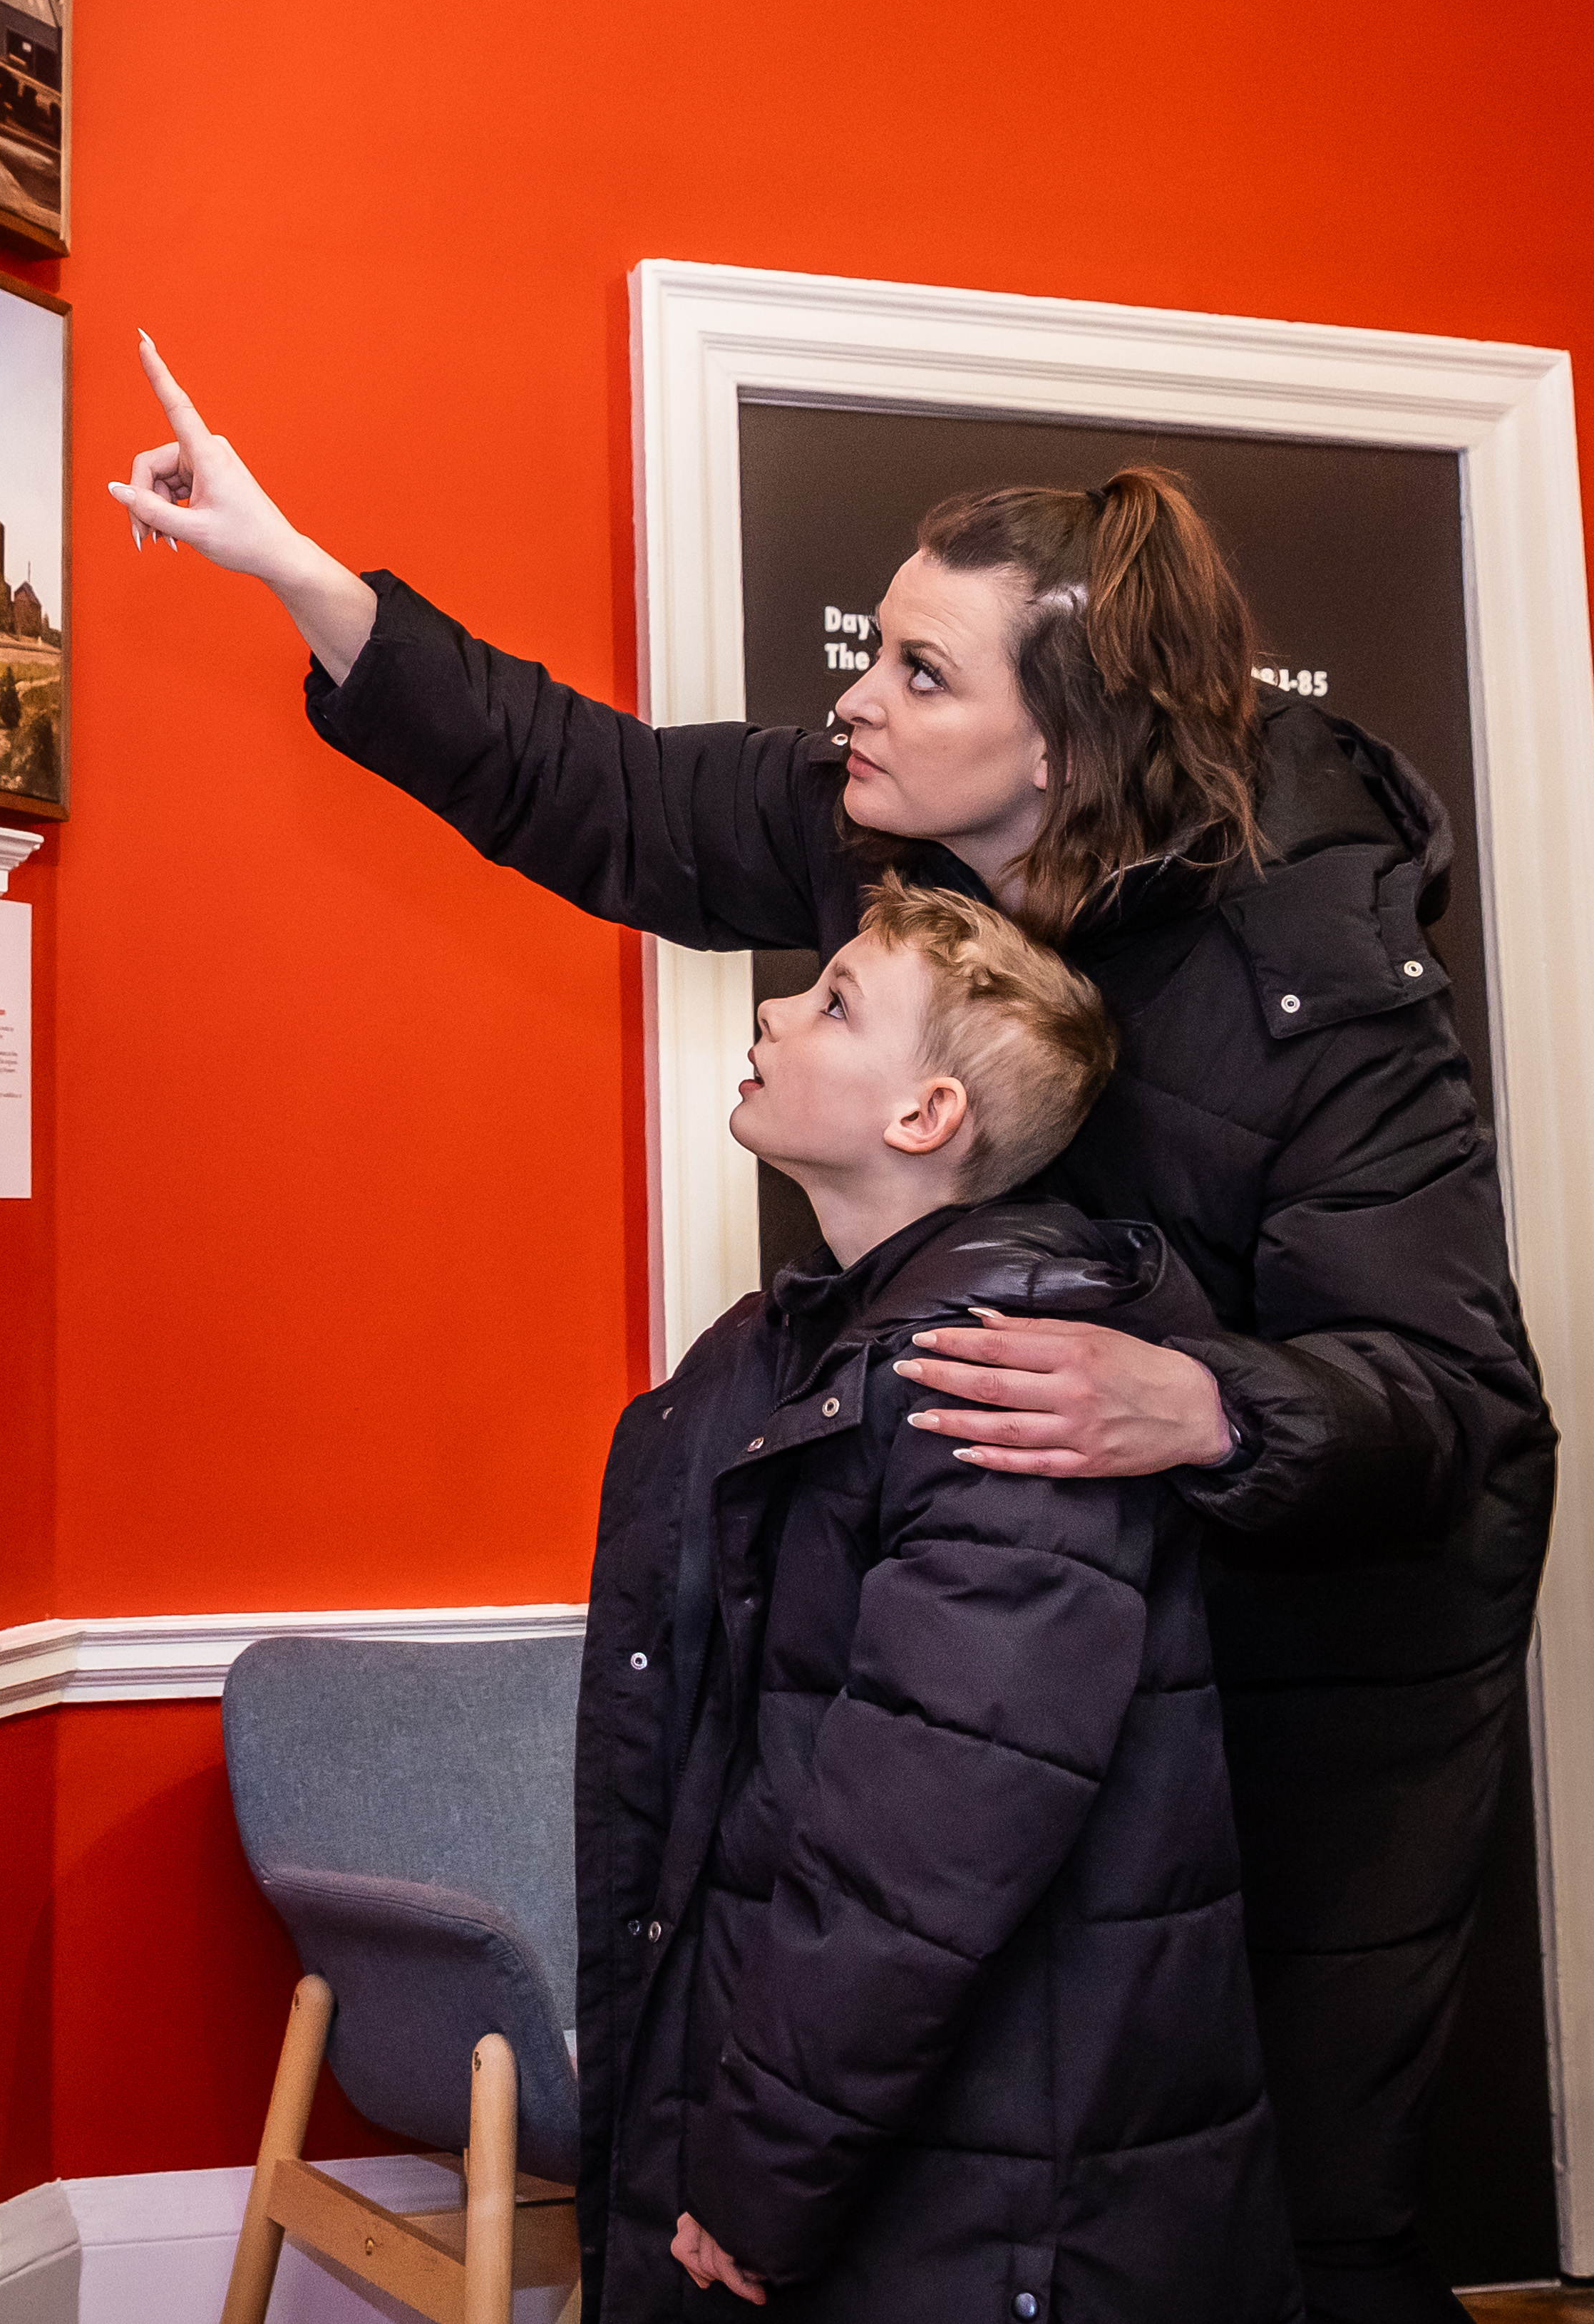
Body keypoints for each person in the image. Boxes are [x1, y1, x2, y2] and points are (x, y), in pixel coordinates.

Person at [115, 346, 1553, 2324]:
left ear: (1064, 742)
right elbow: (594, 786)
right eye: (868, 652)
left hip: (1313, 1699)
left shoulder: (1313, 982)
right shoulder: (890, 834)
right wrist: (293, 569)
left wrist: (1202, 1397)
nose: (853, 705)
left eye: (918, 674)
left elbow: (1461, 1412)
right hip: (1047, 1637)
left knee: (1259, 2228)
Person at [579, 874, 1292, 2319]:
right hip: (867, 2136)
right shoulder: (790, 1358)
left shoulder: (999, 1393)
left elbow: (914, 1863)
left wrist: (759, 2168)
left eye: (836, 1001)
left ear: (926, 1119)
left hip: (985, 2193)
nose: (779, 1008)